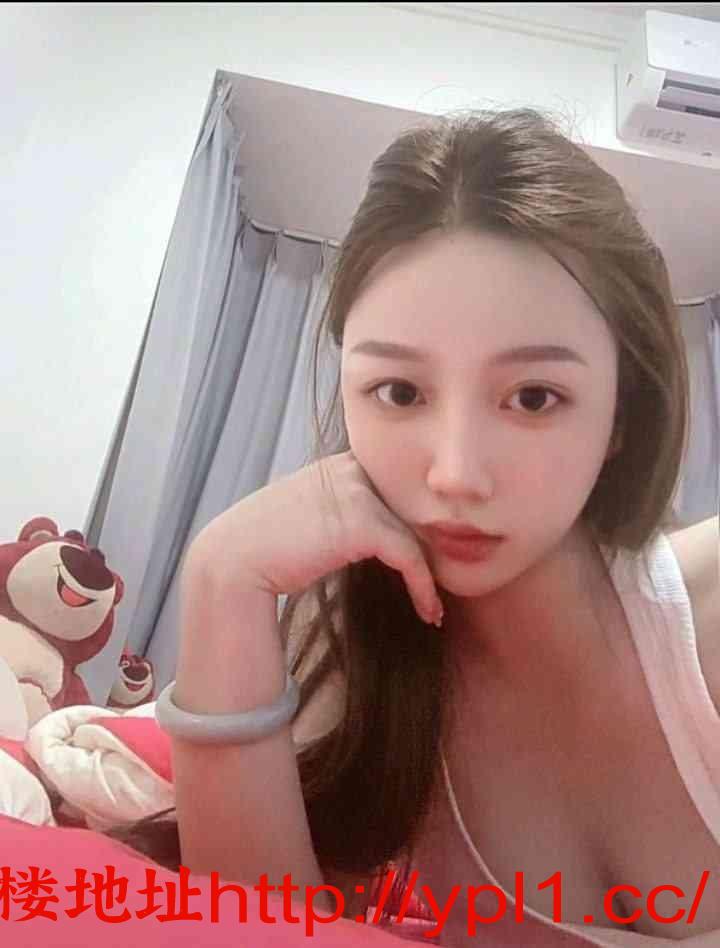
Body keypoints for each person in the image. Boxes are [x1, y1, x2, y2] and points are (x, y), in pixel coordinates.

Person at [107, 108, 720, 946]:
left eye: (533, 397)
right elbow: (259, 930)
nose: (455, 473)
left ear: (621, 412)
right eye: (399, 392)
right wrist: (222, 577)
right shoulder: (359, 668)